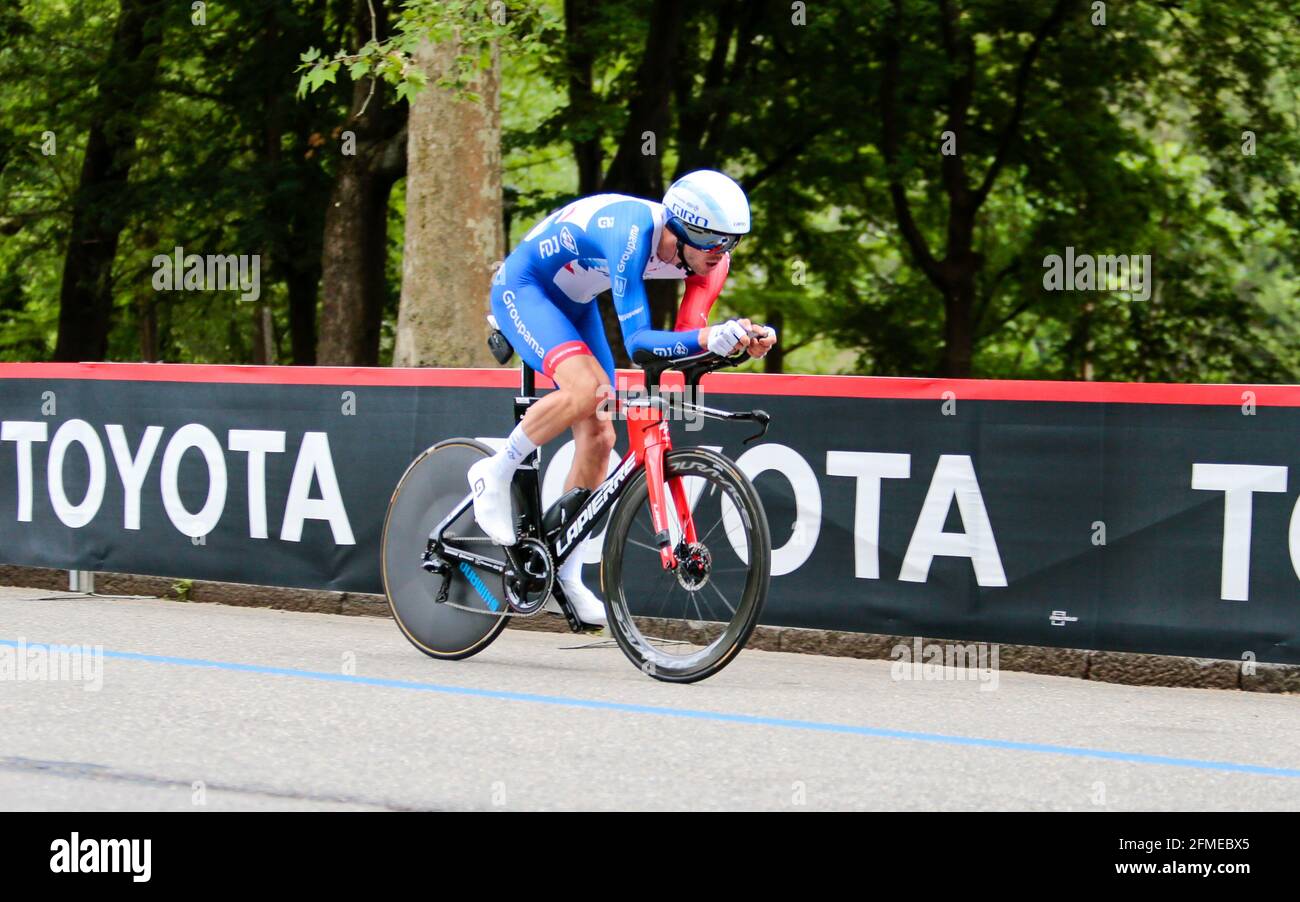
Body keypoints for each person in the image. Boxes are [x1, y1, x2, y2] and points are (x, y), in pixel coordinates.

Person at [469, 169, 777, 627]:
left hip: (575, 300)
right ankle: (494, 470)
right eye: (714, 243)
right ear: (683, 229)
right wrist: (710, 337)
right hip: (526, 287)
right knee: (586, 390)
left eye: (731, 243)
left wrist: (733, 343)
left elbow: (683, 341)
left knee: (599, 435)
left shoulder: (711, 262)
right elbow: (638, 343)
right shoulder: (633, 230)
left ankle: (565, 576)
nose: (722, 255)